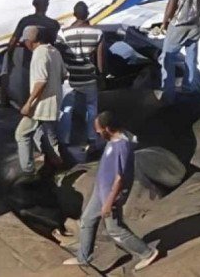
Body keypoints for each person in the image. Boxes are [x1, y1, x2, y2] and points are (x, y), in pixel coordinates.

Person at [62, 111, 158, 271]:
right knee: (87, 219)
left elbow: (120, 179)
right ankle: (84, 257)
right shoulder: (112, 140)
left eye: (98, 129)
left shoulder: (122, 146)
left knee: (114, 229)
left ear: (107, 128)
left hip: (110, 195)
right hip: (101, 191)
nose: (97, 132)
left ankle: (147, 253)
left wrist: (108, 203)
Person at [16, 25, 67, 176]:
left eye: (24, 41)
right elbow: (64, 75)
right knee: (47, 134)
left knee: (21, 133)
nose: (24, 44)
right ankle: (56, 162)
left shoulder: (39, 54)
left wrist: (28, 103)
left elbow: (40, 82)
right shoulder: (54, 51)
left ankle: (28, 170)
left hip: (40, 105)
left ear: (30, 40)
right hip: (54, 102)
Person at [56, 1, 105, 153]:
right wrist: (101, 76)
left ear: (74, 14)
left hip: (70, 78)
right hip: (89, 77)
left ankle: (64, 140)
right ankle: (92, 138)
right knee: (91, 108)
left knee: (66, 108)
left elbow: (60, 56)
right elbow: (100, 59)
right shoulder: (98, 33)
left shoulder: (63, 33)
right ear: (88, 14)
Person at [1, 0, 61, 106]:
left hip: (28, 61)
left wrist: (9, 57)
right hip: (45, 61)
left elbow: (13, 41)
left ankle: (27, 110)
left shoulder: (25, 21)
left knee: (27, 90)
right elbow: (54, 44)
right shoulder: (54, 24)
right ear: (47, 5)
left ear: (34, 4)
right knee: (43, 90)